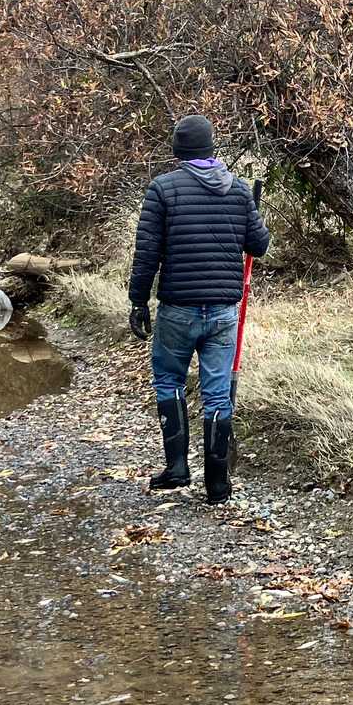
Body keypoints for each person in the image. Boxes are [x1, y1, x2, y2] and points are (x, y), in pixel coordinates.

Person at [128, 115, 270, 503]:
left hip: (177, 309)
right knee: (218, 395)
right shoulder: (238, 191)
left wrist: (137, 301)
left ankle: (177, 469)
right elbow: (259, 246)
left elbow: (147, 254)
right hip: (223, 311)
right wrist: (252, 212)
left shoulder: (163, 189)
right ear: (211, 148)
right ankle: (218, 486)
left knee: (169, 381)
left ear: (178, 152)